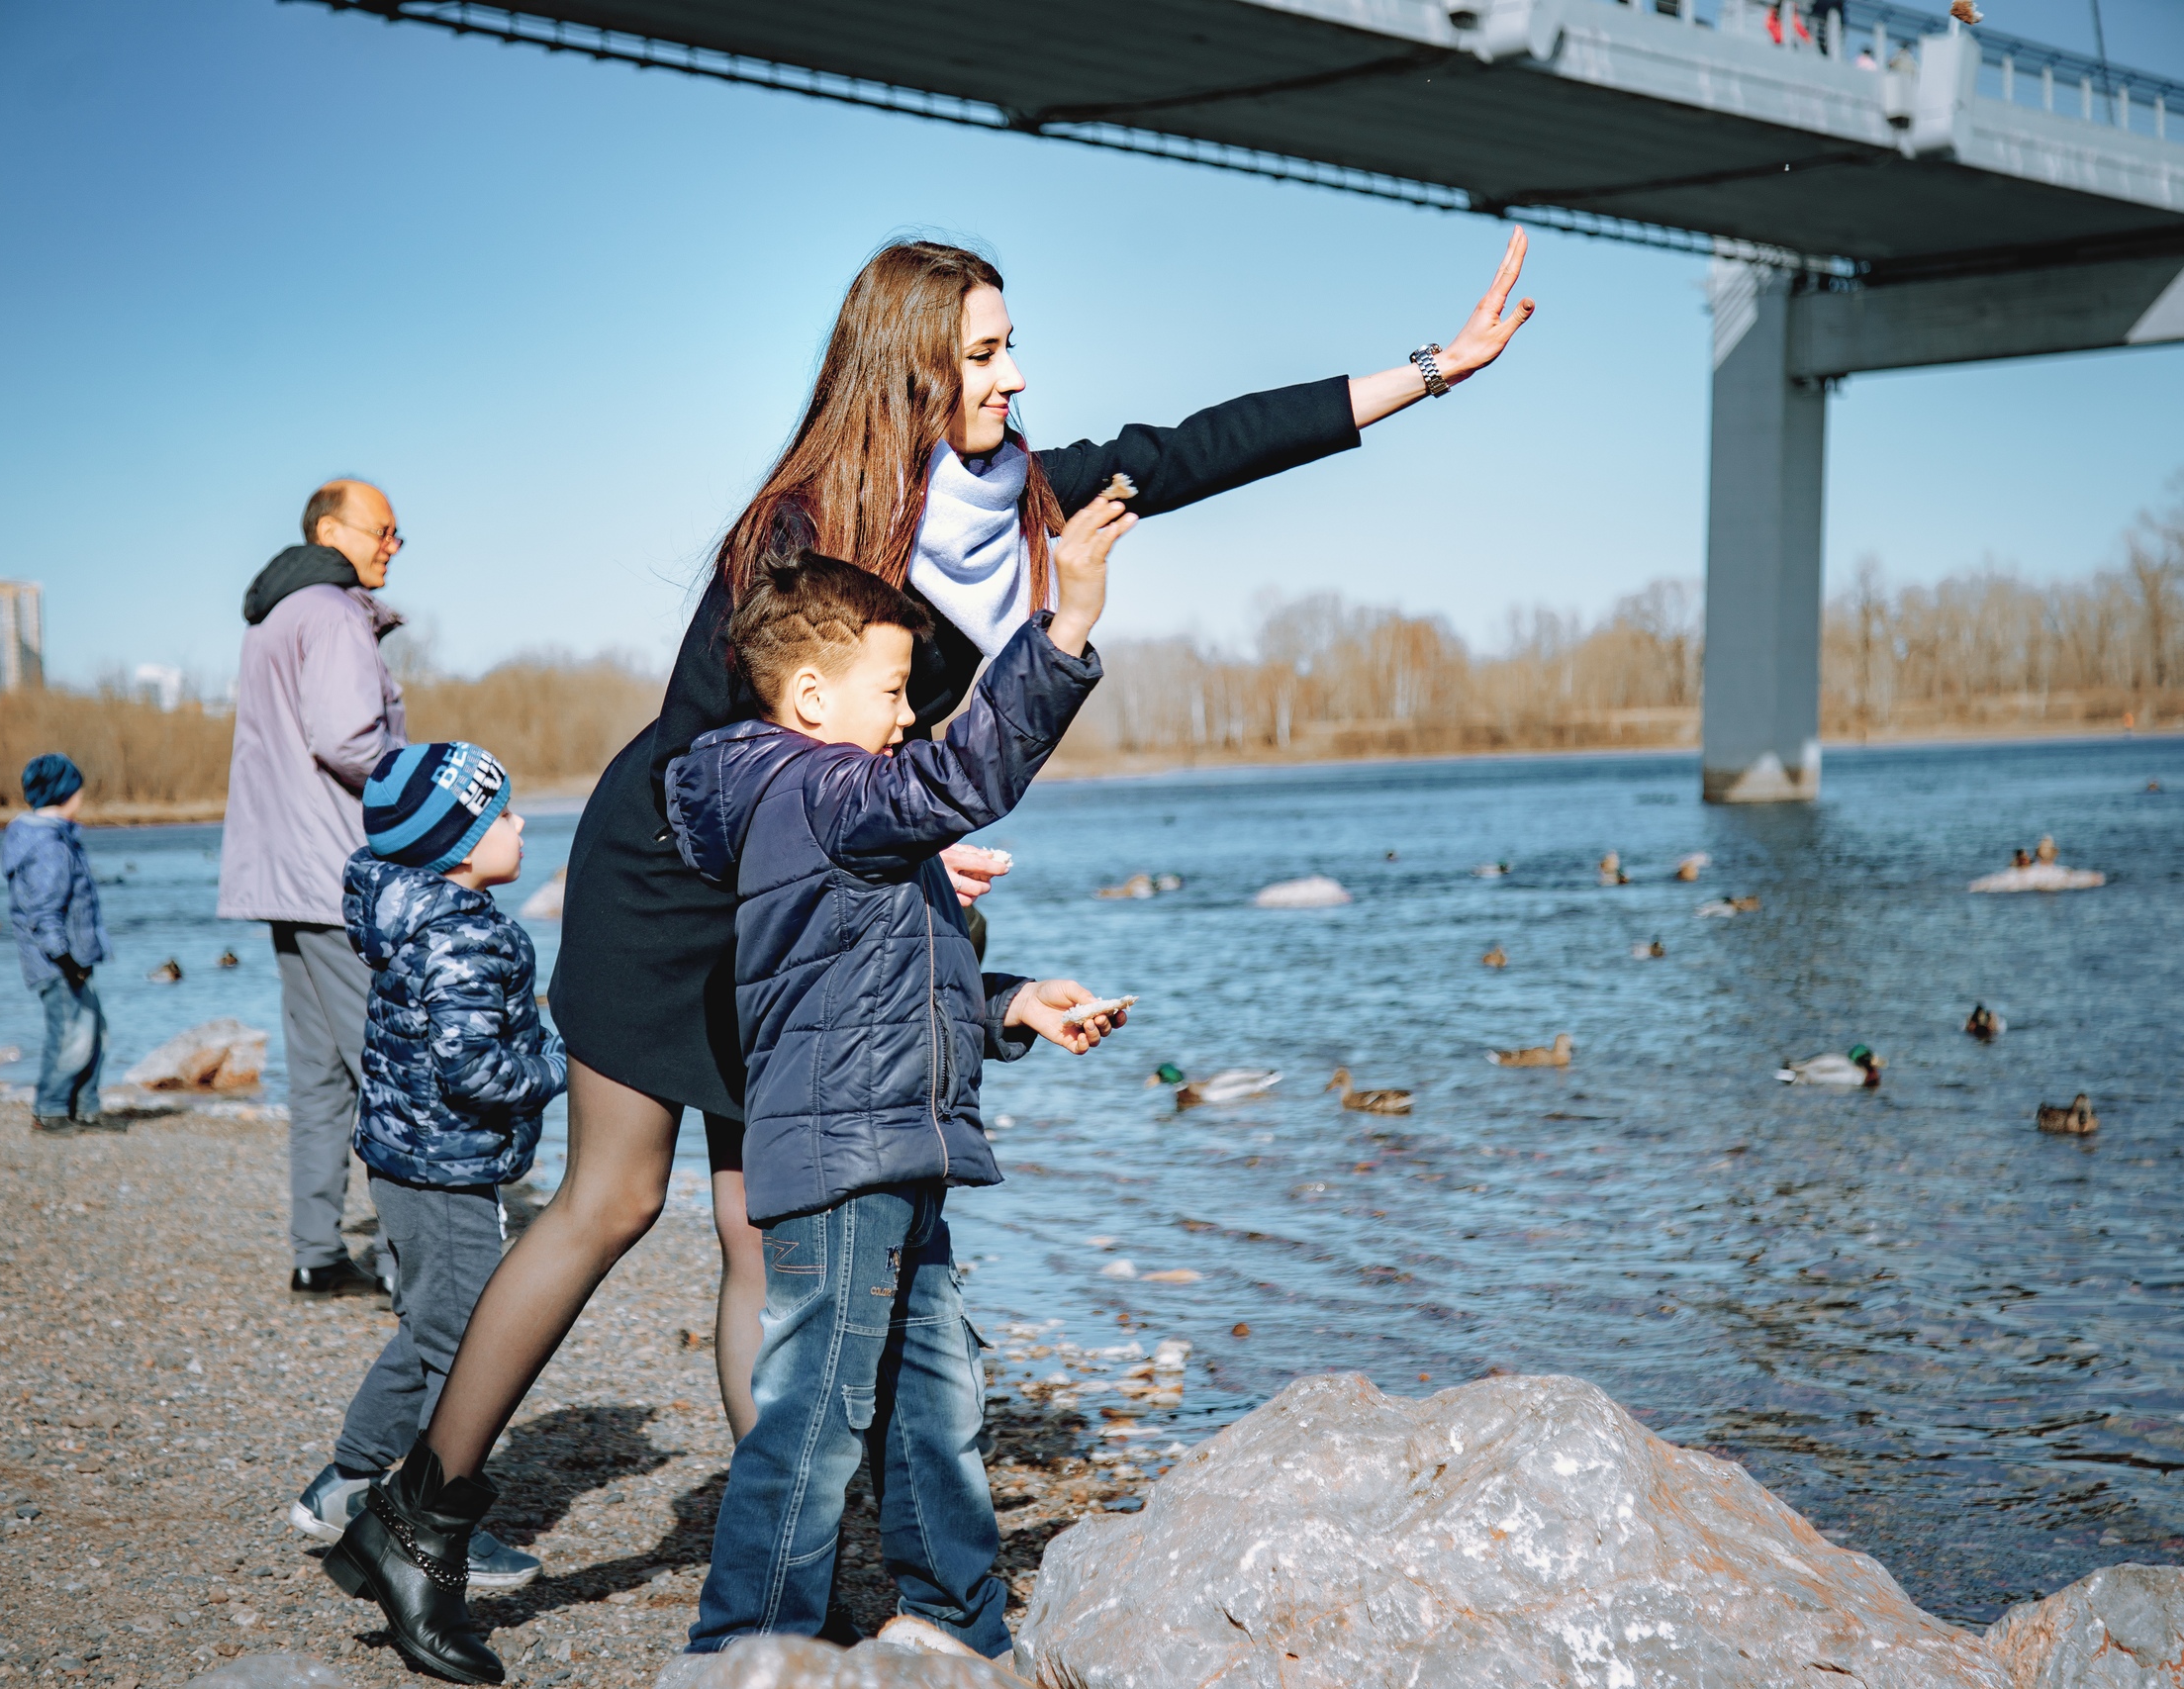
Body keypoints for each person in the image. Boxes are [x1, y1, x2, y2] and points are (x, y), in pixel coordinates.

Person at [389, 233, 1538, 1609]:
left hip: (817, 871)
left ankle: (784, 1575)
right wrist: (889, 829)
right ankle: (421, 1512)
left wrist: (1429, 372)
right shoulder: (802, 531)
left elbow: (1199, 448)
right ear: (914, 370)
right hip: (678, 873)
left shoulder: (1012, 495)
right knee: (613, 1195)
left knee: (766, 1220)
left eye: (1009, 345)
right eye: (984, 354)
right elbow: (721, 759)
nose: (1016, 375)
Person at [676, 539, 1127, 1661]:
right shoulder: (819, 789)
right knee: (816, 1412)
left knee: (934, 1407)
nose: (904, 719)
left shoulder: (826, 808)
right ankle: (743, 1647)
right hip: (844, 1157)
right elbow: (959, 777)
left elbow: (887, 983)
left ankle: (956, 1627)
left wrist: (1011, 1006)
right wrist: (1063, 628)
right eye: (890, 693)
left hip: (890, 1147)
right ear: (814, 696)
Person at [294, 742, 560, 1623]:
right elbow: (474, 1066)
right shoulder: (463, 931)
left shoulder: (413, 912)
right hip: (443, 1166)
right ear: (459, 847)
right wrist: (558, 1060)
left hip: (411, 1159)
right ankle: (435, 1516)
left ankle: (351, 1477)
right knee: (467, 1345)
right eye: (503, 816)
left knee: (430, 1324)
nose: (521, 825)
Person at [218, 479, 409, 1297]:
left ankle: (315, 1249)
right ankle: (414, 1266)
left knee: (319, 1072)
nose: (394, 544)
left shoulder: (272, 621)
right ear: (332, 530)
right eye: (384, 530)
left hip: (279, 877)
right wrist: (427, 781)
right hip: (334, 873)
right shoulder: (331, 613)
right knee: (387, 1070)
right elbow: (348, 739)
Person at [1, 753, 111, 1136]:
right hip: (58, 962)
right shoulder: (48, 846)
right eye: (76, 789)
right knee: (71, 1033)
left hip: (73, 957)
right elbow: (44, 914)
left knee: (93, 1030)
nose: (81, 796)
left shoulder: (57, 837)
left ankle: (85, 1107)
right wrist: (65, 959)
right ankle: (50, 1110)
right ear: (64, 793)